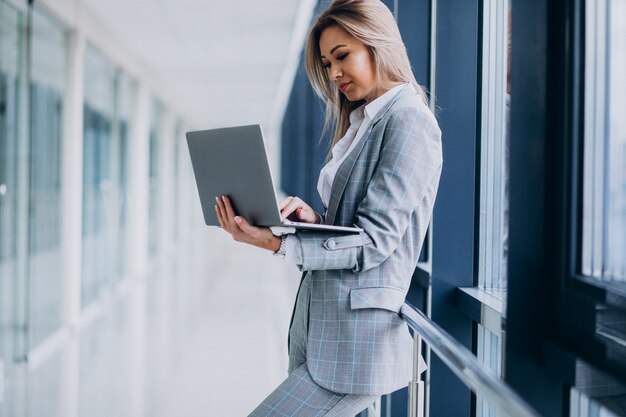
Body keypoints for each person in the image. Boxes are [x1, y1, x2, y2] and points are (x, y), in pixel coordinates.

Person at [214, 0, 442, 415]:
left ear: (378, 45)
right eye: (326, 63)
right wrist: (315, 222)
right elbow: (354, 228)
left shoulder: (409, 120)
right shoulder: (363, 122)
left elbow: (375, 242)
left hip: (354, 345)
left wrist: (278, 245)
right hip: (321, 328)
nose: (333, 73)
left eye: (342, 56)